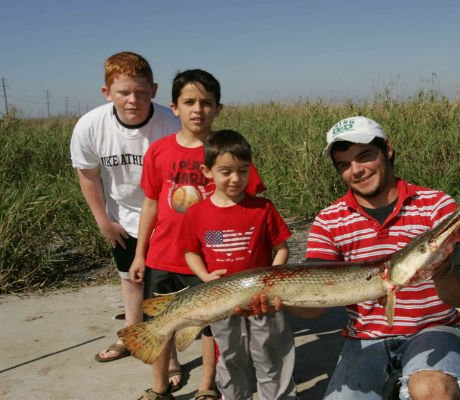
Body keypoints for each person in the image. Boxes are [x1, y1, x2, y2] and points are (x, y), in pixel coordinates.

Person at [241, 116, 460, 400]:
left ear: (387, 149)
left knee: (430, 390)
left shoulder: (437, 205)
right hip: (365, 339)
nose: (357, 170)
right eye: (344, 165)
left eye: (364, 156)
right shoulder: (329, 220)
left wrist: (441, 268)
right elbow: (314, 308)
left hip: (433, 330)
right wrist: (280, 303)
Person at [128, 70, 265, 400]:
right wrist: (139, 254)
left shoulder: (229, 154)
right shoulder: (159, 152)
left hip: (207, 262)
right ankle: (159, 388)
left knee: (208, 326)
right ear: (174, 108)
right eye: (189, 102)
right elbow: (150, 205)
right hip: (163, 254)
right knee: (159, 324)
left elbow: (248, 209)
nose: (197, 109)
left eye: (206, 102)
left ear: (218, 108)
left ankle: (208, 385)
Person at [69, 50, 183, 379]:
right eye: (124, 92)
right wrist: (103, 220)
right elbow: (88, 175)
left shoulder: (169, 123)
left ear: (154, 90)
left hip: (166, 219)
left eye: (141, 91)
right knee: (130, 283)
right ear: (107, 93)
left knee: (164, 291)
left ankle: (169, 354)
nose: (133, 99)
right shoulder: (90, 126)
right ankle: (130, 338)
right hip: (122, 218)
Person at [181, 130, 298, 400]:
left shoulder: (263, 208)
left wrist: (273, 277)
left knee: (271, 355)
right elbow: (191, 253)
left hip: (263, 299)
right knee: (230, 356)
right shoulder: (197, 213)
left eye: (243, 171)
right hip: (220, 300)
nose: (236, 179)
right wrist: (206, 277)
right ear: (207, 171)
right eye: (226, 171)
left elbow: (281, 248)